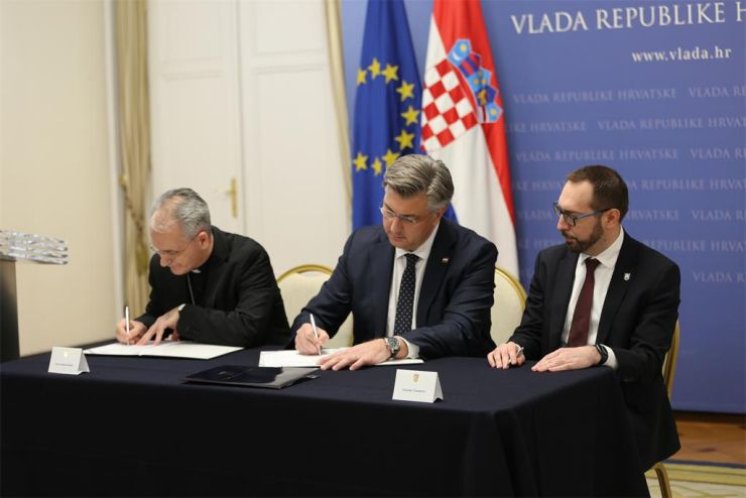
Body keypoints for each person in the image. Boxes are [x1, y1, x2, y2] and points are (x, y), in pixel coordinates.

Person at [487, 165, 680, 471]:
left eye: (572, 217)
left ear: (611, 217)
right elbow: (532, 330)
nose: (560, 224)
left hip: (618, 404)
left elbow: (647, 359)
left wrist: (597, 354)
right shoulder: (551, 262)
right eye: (559, 211)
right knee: (492, 438)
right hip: (548, 397)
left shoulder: (656, 274)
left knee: (566, 452)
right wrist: (515, 346)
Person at [292, 154, 498, 370]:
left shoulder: (472, 253)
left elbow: (461, 329)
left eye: (409, 219)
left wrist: (392, 345)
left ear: (438, 213)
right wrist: (308, 329)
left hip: (447, 375)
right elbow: (320, 312)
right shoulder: (362, 246)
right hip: (372, 379)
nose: (393, 227)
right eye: (388, 212)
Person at [115, 188, 289, 347]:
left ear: (202, 240)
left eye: (171, 252)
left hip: (257, 364)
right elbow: (161, 313)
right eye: (158, 251)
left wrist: (184, 315)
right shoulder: (160, 265)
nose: (163, 261)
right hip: (192, 362)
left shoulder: (247, 257)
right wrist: (141, 325)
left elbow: (248, 327)